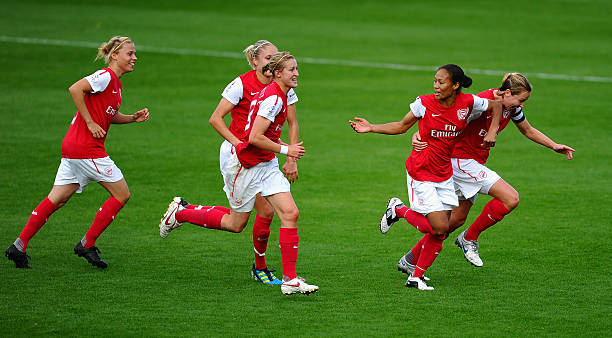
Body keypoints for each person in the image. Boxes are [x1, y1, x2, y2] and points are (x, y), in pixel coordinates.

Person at [160, 52, 318, 295]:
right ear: (277, 73)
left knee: (290, 213)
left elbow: (287, 125)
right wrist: (288, 149)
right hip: (244, 166)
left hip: (265, 164)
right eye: (292, 70)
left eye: (297, 68)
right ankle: (182, 214)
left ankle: (290, 279)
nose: (297, 73)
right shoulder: (273, 99)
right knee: (236, 224)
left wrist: (288, 157)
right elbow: (254, 137)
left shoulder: (281, 93)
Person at [395, 73, 574, 271]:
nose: (522, 105)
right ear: (507, 93)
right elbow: (446, 118)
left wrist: (554, 145)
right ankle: (468, 238)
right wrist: (419, 134)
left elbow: (528, 130)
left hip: (471, 163)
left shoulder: (510, 108)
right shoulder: (480, 103)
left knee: (454, 221)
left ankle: (410, 260)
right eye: (521, 100)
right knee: (510, 198)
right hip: (460, 161)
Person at [350, 64, 502, 290]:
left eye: (441, 82)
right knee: (439, 228)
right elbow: (402, 126)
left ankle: (415, 277)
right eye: (435, 81)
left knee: (443, 229)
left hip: (444, 174)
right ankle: (399, 209)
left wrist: (492, 131)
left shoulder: (468, 102)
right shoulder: (423, 103)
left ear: (456, 85)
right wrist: (371, 127)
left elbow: (497, 105)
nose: (436, 86)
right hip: (421, 172)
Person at [4, 36, 150, 269]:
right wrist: (90, 123)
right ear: (114, 56)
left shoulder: (117, 85)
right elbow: (75, 89)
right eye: (130, 54)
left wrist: (132, 118)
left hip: (74, 148)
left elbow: (108, 116)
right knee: (122, 194)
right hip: (86, 149)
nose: (135, 58)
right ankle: (87, 243)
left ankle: (18, 246)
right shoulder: (105, 76)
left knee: (57, 199)